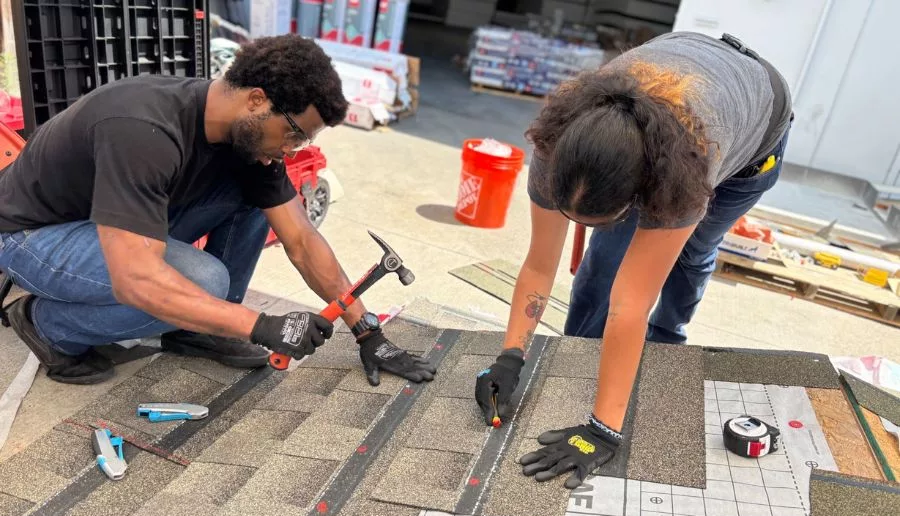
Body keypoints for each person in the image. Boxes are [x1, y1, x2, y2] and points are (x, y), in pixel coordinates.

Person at [0, 35, 435, 386]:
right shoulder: (142, 129)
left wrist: (367, 331)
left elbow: (301, 239)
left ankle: (198, 326)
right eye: (294, 134)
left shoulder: (251, 141)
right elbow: (136, 278)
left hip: (106, 220)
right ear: (256, 100)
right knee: (203, 280)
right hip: (32, 234)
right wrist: (257, 325)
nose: (292, 150)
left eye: (303, 143)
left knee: (252, 201)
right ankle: (46, 324)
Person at [474, 31, 793, 488]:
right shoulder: (557, 147)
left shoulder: (690, 165)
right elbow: (541, 264)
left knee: (690, 253)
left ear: (639, 193)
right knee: (603, 263)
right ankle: (584, 349)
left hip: (751, 132)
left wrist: (602, 431)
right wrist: (510, 355)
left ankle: (664, 346)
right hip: (680, 95)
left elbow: (631, 304)